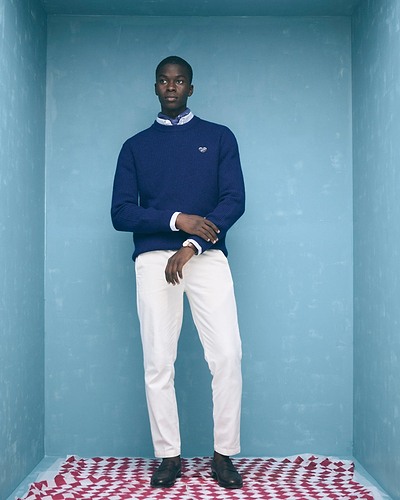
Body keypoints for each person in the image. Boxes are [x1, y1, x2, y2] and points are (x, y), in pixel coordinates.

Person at [111, 56, 245, 489]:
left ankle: (223, 454)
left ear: (191, 87)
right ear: (155, 87)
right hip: (153, 259)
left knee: (227, 355)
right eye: (164, 81)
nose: (172, 86)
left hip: (205, 256)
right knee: (158, 361)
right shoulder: (135, 146)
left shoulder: (219, 137)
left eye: (180, 80)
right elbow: (120, 213)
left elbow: (234, 200)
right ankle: (169, 455)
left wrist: (192, 244)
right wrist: (176, 220)